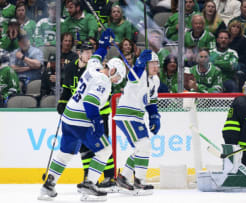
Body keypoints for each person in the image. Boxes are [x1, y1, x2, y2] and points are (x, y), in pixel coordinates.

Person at [38, 29, 126, 201]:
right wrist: (98, 125)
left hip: (69, 117)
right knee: (105, 150)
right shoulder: (104, 82)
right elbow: (90, 104)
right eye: (118, 77)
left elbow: (97, 55)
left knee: (66, 152)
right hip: (81, 120)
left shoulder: (93, 67)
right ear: (113, 70)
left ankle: (48, 186)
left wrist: (103, 45)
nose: (116, 81)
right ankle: (89, 185)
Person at [113, 49, 161, 195]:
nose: (155, 66)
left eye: (157, 63)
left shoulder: (156, 80)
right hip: (127, 115)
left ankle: (123, 177)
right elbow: (132, 77)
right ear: (146, 65)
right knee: (144, 145)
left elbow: (151, 102)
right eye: (151, 63)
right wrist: (139, 64)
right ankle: (139, 181)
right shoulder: (140, 74)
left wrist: (154, 116)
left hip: (137, 117)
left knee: (142, 148)